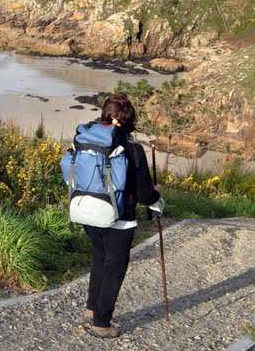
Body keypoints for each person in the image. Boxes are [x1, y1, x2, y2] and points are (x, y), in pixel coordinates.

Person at [84, 92, 163, 339]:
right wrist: (156, 193)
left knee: (99, 258)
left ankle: (91, 308)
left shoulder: (89, 140)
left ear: (104, 115)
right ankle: (101, 323)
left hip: (87, 211)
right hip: (119, 219)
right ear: (130, 120)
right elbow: (144, 195)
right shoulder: (133, 149)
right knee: (114, 269)